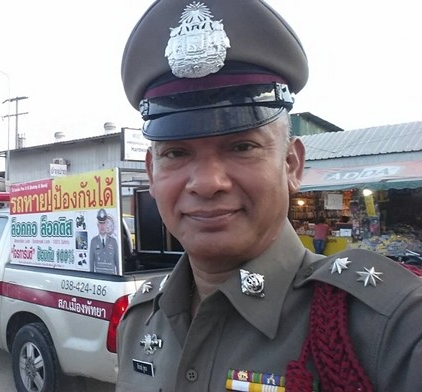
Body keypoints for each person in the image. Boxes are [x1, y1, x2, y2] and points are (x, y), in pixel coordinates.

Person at [115, 1, 422, 391]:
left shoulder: (390, 328)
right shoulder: (140, 321)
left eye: (242, 147)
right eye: (176, 153)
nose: (208, 183)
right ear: (152, 173)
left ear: (292, 164)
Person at [88, 209, 119, 274]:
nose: (102, 226)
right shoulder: (94, 242)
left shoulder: (113, 241)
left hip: (111, 277)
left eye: (104, 223)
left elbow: (117, 262)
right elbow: (91, 263)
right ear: (97, 225)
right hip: (99, 277)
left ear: (106, 225)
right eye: (100, 223)